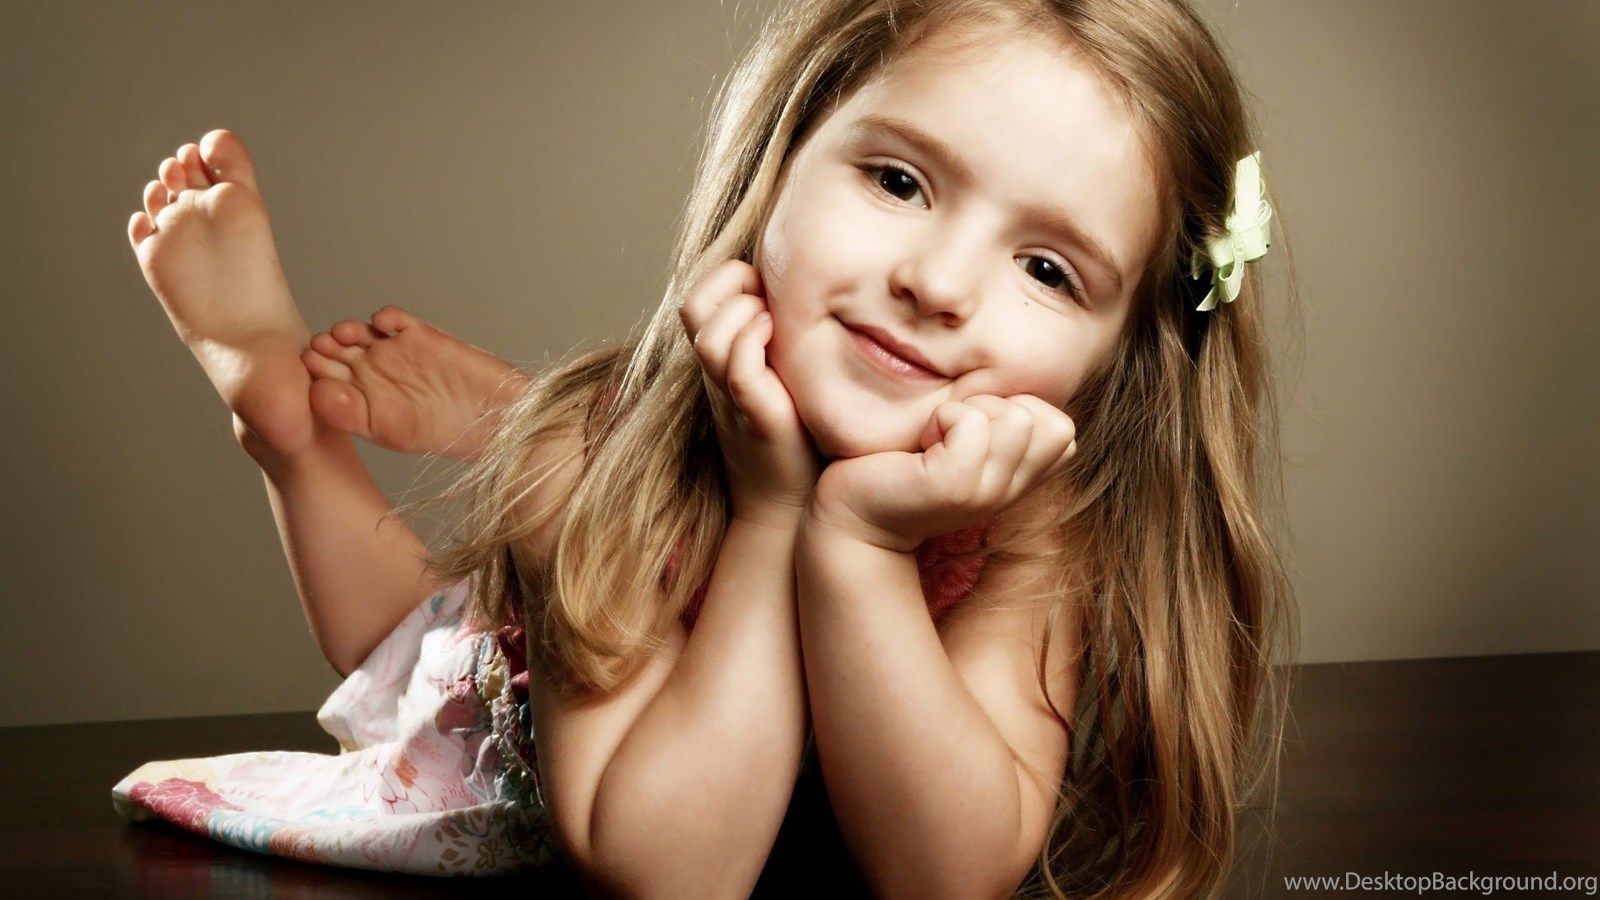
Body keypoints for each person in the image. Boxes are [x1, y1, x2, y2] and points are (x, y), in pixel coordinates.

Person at [115, 0, 1299, 896]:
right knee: (413, 649)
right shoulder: (591, 461)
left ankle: (498, 411)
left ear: (1119, 359)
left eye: (1046, 269)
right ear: (778, 160)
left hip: (644, 513)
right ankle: (287, 429)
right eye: (897, 181)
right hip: (508, 727)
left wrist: (858, 542)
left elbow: (946, 875)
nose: (938, 283)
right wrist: (773, 512)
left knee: (548, 480)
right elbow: (668, 869)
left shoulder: (1036, 526)